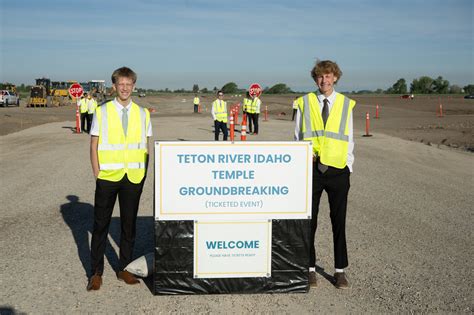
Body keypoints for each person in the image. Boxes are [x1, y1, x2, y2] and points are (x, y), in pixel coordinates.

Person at [87, 66, 153, 291]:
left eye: (129, 84)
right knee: (100, 225)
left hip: (133, 178)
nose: (125, 88)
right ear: (114, 86)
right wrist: (98, 174)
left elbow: (145, 146)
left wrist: (143, 173)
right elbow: (94, 144)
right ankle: (95, 272)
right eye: (121, 84)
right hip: (107, 177)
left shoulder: (143, 114)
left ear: (133, 86)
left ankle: (123, 267)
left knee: (129, 225)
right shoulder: (101, 111)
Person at [294, 60, 355, 290]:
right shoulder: (304, 103)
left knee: (338, 221)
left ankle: (340, 271)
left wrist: (348, 166)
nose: (324, 81)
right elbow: (297, 137)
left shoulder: (345, 104)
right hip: (313, 170)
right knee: (310, 221)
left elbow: (349, 138)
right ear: (315, 79)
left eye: (328, 76)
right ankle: (309, 268)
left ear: (335, 78)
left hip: (338, 171)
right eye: (320, 77)